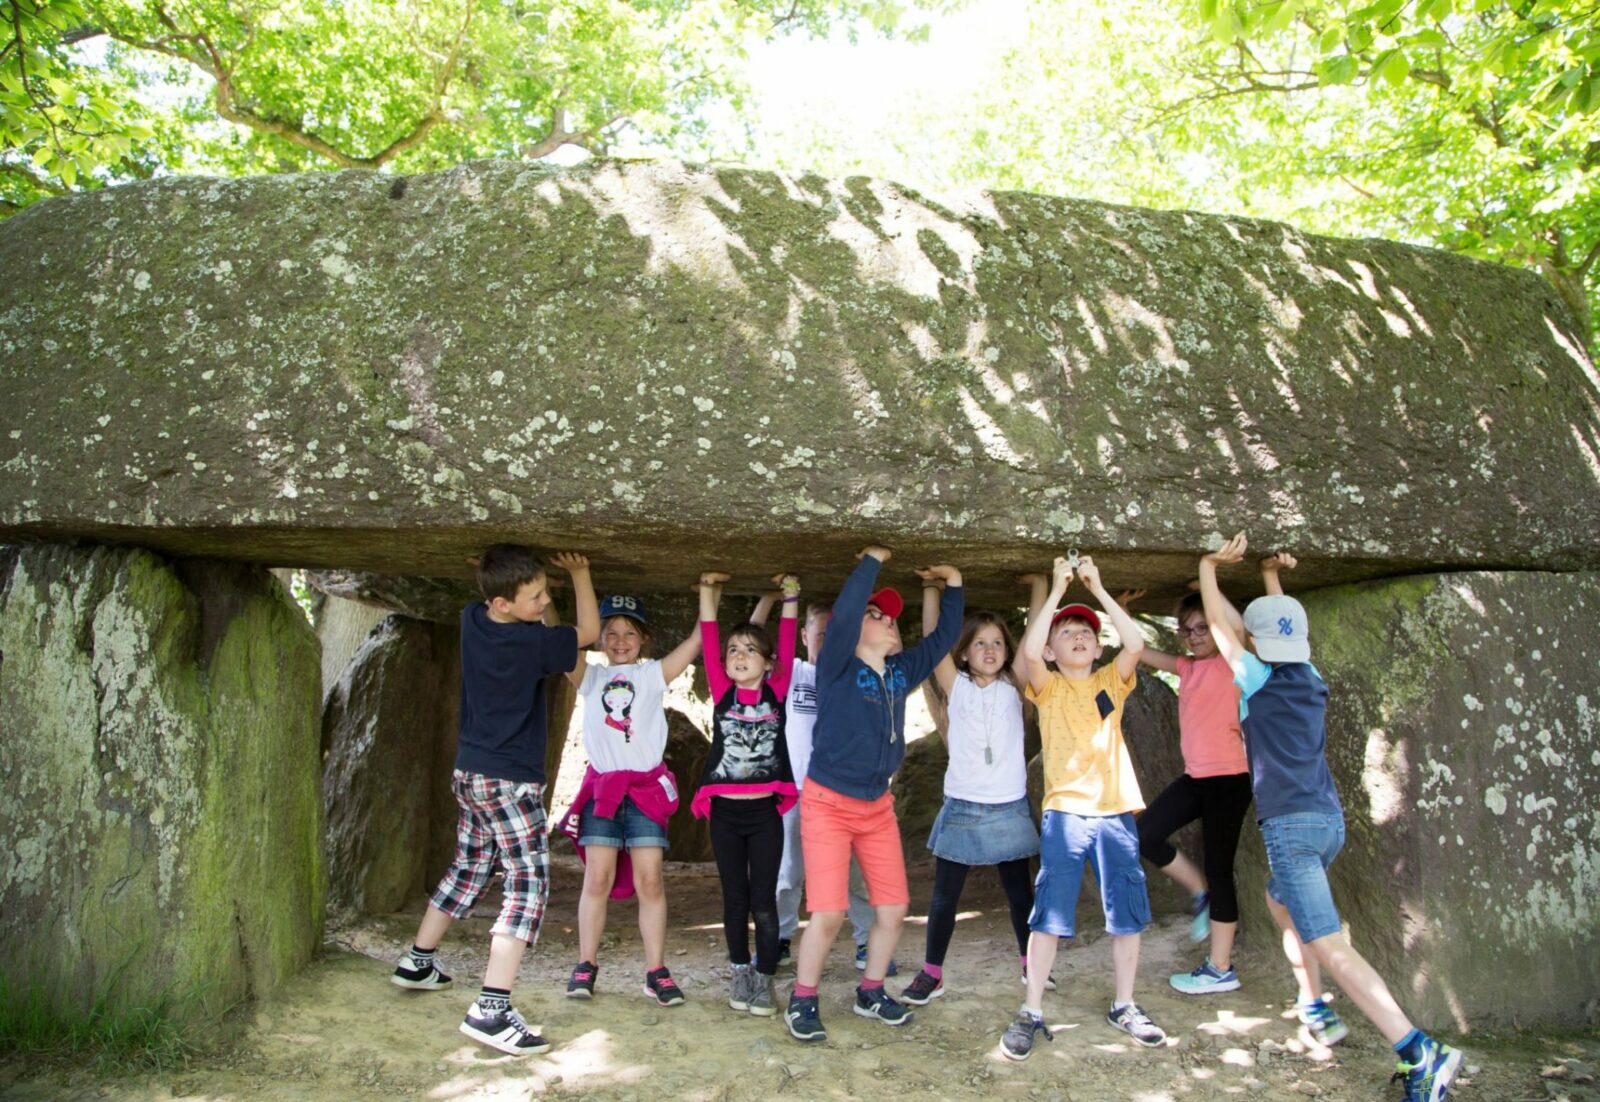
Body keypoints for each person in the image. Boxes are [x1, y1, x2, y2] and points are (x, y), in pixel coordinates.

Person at [1198, 533, 1463, 1102]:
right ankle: (1312, 1003)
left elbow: (1226, 630)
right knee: (1278, 901)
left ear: (1256, 643)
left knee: (1329, 944)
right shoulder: (1310, 676)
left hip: (1291, 829)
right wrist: (1271, 576)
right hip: (1328, 822)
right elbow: (1275, 628)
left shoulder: (1256, 679)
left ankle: (1419, 1050)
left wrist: (1207, 569)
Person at [390, 546, 598, 1056]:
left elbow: (540, 621)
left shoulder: (473, 619)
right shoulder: (531, 646)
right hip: (509, 781)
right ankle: (492, 1008)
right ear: (504, 602)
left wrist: (520, 585)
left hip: (470, 772)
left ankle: (418, 961)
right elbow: (587, 634)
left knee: (470, 866)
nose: (545, 600)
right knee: (527, 884)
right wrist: (580, 574)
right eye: (537, 596)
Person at [785, 547, 963, 1043]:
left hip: (876, 807)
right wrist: (870, 562)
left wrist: (955, 582)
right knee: (829, 913)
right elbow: (844, 616)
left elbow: (944, 637)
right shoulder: (836, 666)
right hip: (826, 803)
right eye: (875, 614)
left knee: (893, 908)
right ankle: (803, 998)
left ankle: (871, 990)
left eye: (889, 617)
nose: (887, 621)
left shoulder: (900, 673)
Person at [1000, 553, 1166, 1062]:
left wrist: (1096, 589)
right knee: (1049, 911)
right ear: (1051, 650)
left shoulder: (1110, 683)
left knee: (1127, 912)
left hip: (1115, 811)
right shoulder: (1046, 686)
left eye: (1087, 632)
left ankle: (1125, 1003)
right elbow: (1027, 653)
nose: (1079, 636)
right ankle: (1031, 1010)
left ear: (1097, 646)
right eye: (1066, 632)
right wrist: (1055, 589)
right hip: (1067, 812)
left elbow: (1135, 643)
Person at [1121, 556, 1294, 998]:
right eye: (1187, 629)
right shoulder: (1186, 667)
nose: (1195, 637)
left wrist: (1208, 573)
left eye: (1202, 628)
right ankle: (1196, 890)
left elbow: (1232, 628)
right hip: (1196, 779)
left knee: (1221, 869)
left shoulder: (1237, 664)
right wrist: (1117, 610)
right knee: (1143, 836)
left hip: (1231, 781)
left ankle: (1221, 966)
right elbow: (1137, 651)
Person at [900, 576, 1048, 1006]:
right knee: (945, 896)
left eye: (998, 643)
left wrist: (1039, 587)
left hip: (1008, 808)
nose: (989, 650)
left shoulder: (1014, 684)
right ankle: (932, 972)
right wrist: (930, 591)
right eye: (979, 643)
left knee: (1020, 892)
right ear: (963, 652)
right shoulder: (957, 686)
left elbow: (1034, 637)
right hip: (963, 806)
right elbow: (933, 638)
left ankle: (1030, 962)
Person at [556, 589, 702, 1006]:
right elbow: (558, 636)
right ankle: (586, 963)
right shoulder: (590, 676)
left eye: (630, 633)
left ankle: (656, 970)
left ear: (644, 639)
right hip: (604, 790)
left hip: (643, 793)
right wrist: (564, 586)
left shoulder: (652, 674)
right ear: (599, 637)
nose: (620, 640)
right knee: (597, 878)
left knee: (650, 880)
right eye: (611, 632)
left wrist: (709, 595)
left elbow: (695, 643)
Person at [750, 595, 888, 973]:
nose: (830, 640)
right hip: (794, 789)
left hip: (845, 790)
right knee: (787, 871)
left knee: (856, 870)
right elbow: (752, 643)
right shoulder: (792, 673)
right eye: (822, 633)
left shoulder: (857, 674)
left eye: (838, 633)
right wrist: (767, 600)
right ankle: (778, 938)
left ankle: (866, 942)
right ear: (805, 637)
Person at [692, 571, 801, 1017]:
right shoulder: (722, 692)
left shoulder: (776, 690)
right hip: (724, 814)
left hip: (763, 816)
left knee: (764, 899)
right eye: (733, 650)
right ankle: (740, 970)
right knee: (734, 897)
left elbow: (791, 642)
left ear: (769, 663)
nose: (739, 655)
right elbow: (710, 632)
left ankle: (765, 977)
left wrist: (790, 596)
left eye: (750, 650)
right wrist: (706, 593)